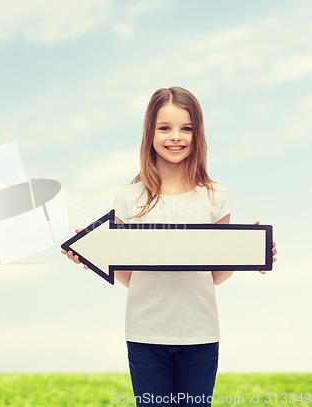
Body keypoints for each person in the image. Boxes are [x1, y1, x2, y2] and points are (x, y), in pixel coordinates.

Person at [61, 86, 277, 407]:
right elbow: (129, 276)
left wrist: (249, 253)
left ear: (197, 134)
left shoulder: (215, 196)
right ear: (150, 132)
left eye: (186, 128)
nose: (175, 137)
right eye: (165, 128)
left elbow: (216, 275)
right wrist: (93, 255)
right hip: (145, 333)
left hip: (200, 333)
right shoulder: (129, 198)